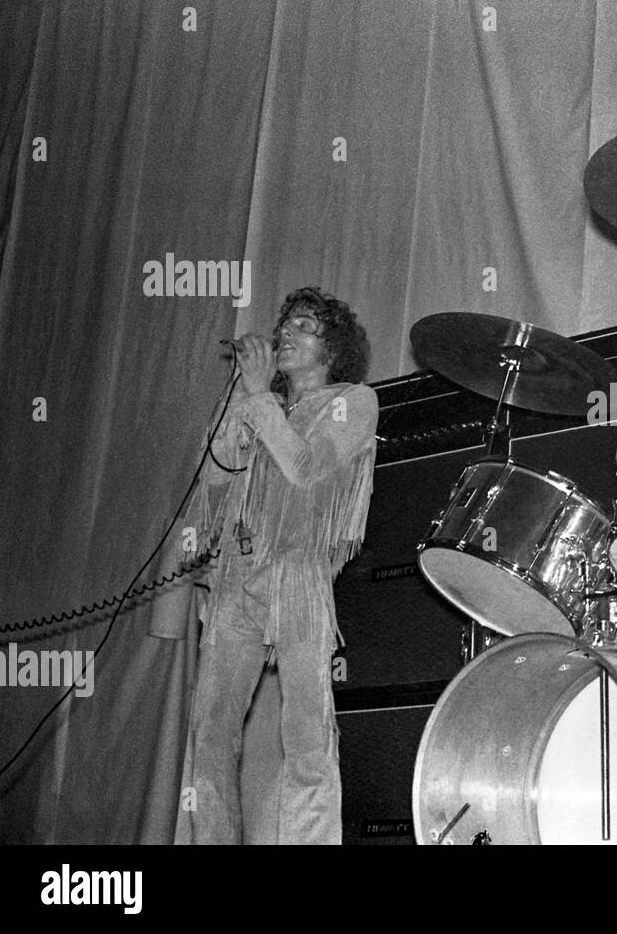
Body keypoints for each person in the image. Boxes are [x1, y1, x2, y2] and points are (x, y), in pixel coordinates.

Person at [175, 287, 378, 844]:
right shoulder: (259, 402)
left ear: (333, 347)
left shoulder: (354, 401)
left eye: (304, 326)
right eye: (283, 324)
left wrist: (261, 398)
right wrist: (240, 403)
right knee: (211, 733)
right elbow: (214, 480)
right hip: (237, 578)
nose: (285, 333)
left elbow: (307, 470)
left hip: (298, 572)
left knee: (306, 734)